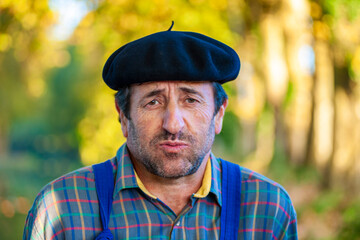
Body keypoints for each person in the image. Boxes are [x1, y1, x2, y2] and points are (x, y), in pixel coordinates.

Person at [23, 23, 298, 240]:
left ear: (219, 114)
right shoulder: (60, 209)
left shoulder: (268, 209)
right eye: (153, 101)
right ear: (123, 116)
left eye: (191, 100)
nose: (173, 124)